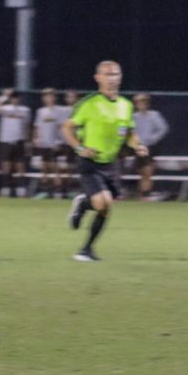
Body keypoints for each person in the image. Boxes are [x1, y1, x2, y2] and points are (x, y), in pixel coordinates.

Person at [62, 60, 146, 261]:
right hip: (89, 162)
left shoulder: (126, 106)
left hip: (111, 163)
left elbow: (129, 132)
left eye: (115, 74)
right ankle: (84, 249)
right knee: (104, 204)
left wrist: (137, 145)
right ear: (97, 78)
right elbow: (66, 128)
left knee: (105, 207)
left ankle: (87, 244)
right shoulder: (89, 103)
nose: (112, 79)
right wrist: (80, 148)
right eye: (107, 75)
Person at [0, 88, 31, 196]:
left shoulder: (25, 110)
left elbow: (27, 126)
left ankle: (21, 188)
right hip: (6, 140)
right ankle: (6, 187)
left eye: (16, 98)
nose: (14, 100)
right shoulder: (5, 108)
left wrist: (28, 142)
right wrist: (3, 96)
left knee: (20, 165)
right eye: (12, 98)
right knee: (6, 164)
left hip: (19, 140)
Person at [132, 93, 169, 201]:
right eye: (138, 103)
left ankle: (146, 195)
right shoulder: (134, 117)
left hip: (150, 147)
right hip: (138, 148)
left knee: (148, 171)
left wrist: (152, 139)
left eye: (143, 103)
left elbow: (163, 128)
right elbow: (130, 131)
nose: (141, 105)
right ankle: (142, 195)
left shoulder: (154, 115)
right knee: (142, 172)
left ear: (147, 104)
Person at [32, 88, 66, 199]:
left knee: (55, 168)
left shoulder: (59, 111)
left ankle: (58, 191)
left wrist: (59, 141)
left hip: (54, 143)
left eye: (51, 96)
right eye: (46, 96)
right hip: (44, 144)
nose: (49, 98)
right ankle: (45, 191)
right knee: (44, 168)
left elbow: (61, 127)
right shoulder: (41, 111)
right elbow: (38, 127)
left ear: (54, 98)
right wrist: (37, 138)